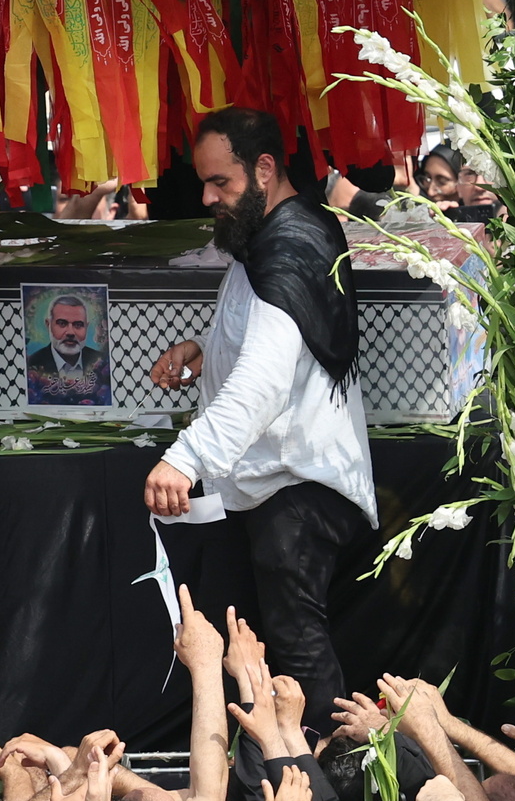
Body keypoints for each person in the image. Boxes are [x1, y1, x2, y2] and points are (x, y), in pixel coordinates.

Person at [143, 107, 377, 733]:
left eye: (221, 182)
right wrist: (205, 350)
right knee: (272, 653)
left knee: (296, 654)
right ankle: (287, 795)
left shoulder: (292, 241)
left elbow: (268, 377)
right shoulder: (267, 237)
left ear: (265, 169)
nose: (206, 196)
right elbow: (270, 345)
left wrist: (185, 456)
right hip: (277, 485)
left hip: (296, 488)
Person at [26, 294, 111, 407]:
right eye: (62, 323)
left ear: (86, 326)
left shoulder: (103, 363)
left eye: (78, 325)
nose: (70, 332)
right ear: (48, 325)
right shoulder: (31, 365)